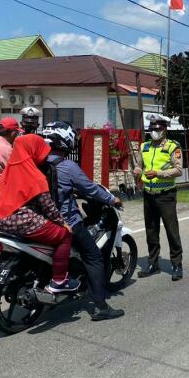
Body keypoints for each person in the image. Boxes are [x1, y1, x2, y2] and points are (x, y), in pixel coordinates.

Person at [41, 121, 125, 321]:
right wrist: (112, 199)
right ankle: (100, 306)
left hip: (39, 220)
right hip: (66, 221)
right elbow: (91, 189)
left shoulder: (38, 163)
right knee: (93, 257)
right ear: (66, 142)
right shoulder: (67, 166)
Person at [0, 134, 79, 294]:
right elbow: (48, 206)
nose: (45, 156)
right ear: (33, 151)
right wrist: (63, 223)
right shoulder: (34, 174)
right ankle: (59, 280)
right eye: (42, 151)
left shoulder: (9, 169)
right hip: (22, 221)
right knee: (64, 235)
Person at [132, 115, 184, 281]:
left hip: (166, 195)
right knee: (151, 231)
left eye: (157, 129)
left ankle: (177, 264)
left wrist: (159, 174)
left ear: (164, 130)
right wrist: (137, 171)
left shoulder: (172, 147)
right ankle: (153, 263)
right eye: (152, 129)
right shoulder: (144, 146)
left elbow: (178, 170)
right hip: (149, 194)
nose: (154, 132)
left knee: (171, 230)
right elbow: (139, 165)